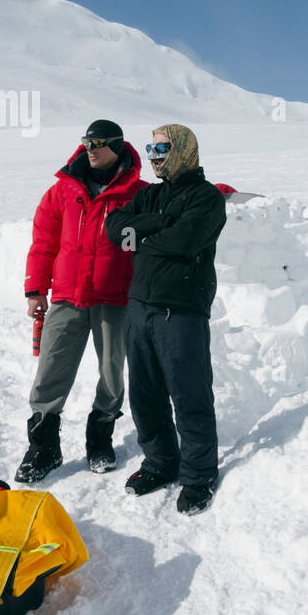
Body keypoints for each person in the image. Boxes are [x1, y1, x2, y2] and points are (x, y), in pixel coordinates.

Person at [105, 124, 226, 516]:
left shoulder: (206, 198)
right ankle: (160, 461)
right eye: (150, 147)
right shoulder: (150, 194)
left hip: (182, 310)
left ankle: (198, 475)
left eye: (163, 147)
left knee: (189, 394)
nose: (155, 155)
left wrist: (142, 233)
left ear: (184, 149)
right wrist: (159, 226)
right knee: (145, 395)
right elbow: (114, 232)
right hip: (140, 306)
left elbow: (185, 241)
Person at [17, 119, 146, 483]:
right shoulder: (62, 191)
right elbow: (44, 244)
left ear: (117, 146)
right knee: (50, 372)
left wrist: (217, 191)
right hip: (67, 297)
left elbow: (172, 206)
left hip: (114, 299)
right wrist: (34, 290)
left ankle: (99, 439)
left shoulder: (137, 192)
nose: (91, 148)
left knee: (111, 373)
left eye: (99, 142)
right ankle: (43, 447)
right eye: (87, 142)